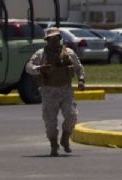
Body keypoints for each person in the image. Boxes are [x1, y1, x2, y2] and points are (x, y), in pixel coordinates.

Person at [25, 27, 86, 157]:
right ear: (47, 40)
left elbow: (78, 67)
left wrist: (81, 80)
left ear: (60, 38)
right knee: (50, 121)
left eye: (56, 38)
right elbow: (28, 67)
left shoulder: (68, 52)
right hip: (48, 90)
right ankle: (54, 144)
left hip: (66, 89)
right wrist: (40, 68)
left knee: (71, 115)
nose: (53, 41)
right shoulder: (41, 54)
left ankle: (65, 137)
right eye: (50, 39)